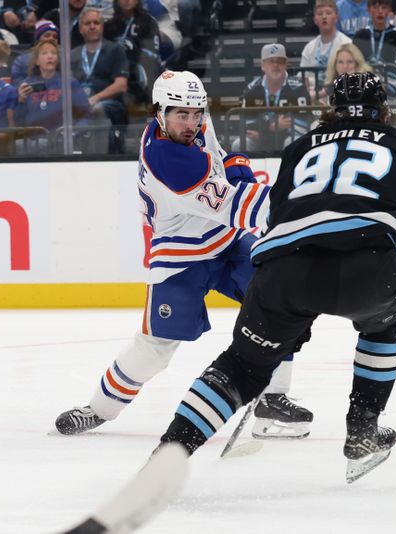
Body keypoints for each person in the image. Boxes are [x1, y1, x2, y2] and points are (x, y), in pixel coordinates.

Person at [156, 72, 396, 482]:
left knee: (241, 367)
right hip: (366, 268)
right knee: (389, 318)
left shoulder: (298, 149)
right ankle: (362, 431)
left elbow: (274, 221)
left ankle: (167, 455)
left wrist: (296, 309)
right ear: (385, 110)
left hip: (284, 274)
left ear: (330, 110)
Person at [55, 70, 313, 440]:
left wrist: (238, 166)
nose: (192, 123)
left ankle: (273, 397)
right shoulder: (165, 159)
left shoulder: (192, 121)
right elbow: (235, 205)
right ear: (159, 112)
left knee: (280, 301)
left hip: (225, 241)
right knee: (155, 349)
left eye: (197, 113)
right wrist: (309, 205)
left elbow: (222, 161)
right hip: (180, 256)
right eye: (182, 115)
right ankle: (98, 409)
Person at [15, 38, 92, 149]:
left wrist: (72, 134)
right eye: (45, 53)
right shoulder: (27, 84)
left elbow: (86, 114)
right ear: (37, 61)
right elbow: (19, 120)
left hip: (59, 140)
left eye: (53, 53)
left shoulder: (69, 83)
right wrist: (21, 101)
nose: (50, 56)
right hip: (32, 141)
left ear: (57, 59)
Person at [70, 7, 129, 153]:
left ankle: (100, 157)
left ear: (102, 27)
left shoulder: (115, 50)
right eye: (87, 23)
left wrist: (95, 99)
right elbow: (66, 85)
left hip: (110, 106)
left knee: (97, 109)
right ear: (80, 29)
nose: (92, 26)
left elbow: (121, 85)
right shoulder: (73, 54)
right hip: (79, 106)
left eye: (96, 23)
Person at [234, 43, 310, 152]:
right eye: (271, 61)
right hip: (259, 140)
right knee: (240, 143)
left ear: (285, 65)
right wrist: (271, 126)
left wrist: (263, 131)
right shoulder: (251, 90)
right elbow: (246, 125)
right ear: (262, 65)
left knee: (294, 141)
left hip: (287, 139)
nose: (276, 65)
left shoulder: (298, 89)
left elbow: (303, 125)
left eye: (279, 61)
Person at [103, 0, 162, 105]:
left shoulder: (148, 22)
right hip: (116, 70)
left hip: (139, 67)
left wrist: (131, 52)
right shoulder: (109, 25)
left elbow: (152, 52)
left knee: (148, 64)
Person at [300, 0, 352, 103]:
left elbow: (349, 78)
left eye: (328, 13)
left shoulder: (346, 44)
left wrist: (322, 94)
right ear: (315, 20)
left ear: (336, 18)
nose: (324, 17)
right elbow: (304, 79)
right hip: (313, 99)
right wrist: (308, 98)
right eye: (319, 14)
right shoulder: (309, 48)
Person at [353, 0, 396, 98]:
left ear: (390, 10)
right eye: (375, 7)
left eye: (384, 8)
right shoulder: (361, 35)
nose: (380, 11)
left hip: (392, 89)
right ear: (368, 10)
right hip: (365, 88)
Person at [11, 18, 58, 86]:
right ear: (37, 39)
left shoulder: (64, 58)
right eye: (47, 35)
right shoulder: (21, 61)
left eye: (55, 36)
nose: (52, 39)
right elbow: (17, 85)